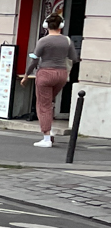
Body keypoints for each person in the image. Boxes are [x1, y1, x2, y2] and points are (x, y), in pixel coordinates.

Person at [25, 15, 77, 147]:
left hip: (46, 73)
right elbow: (74, 58)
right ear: (61, 26)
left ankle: (47, 137)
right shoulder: (67, 40)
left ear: (45, 26)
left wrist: (26, 75)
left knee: (43, 105)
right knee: (49, 102)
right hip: (61, 74)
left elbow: (35, 60)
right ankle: (50, 130)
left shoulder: (43, 41)